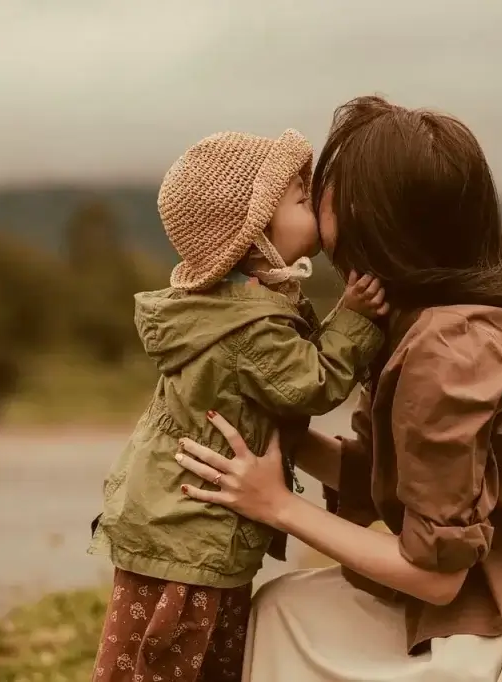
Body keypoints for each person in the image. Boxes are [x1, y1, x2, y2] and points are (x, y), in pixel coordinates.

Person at [174, 96, 502, 682]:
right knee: (285, 613)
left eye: (320, 192)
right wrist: (282, 435)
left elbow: (433, 570)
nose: (311, 206)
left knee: (291, 621)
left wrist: (276, 504)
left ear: (368, 214)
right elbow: (396, 481)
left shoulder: (447, 346)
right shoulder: (427, 323)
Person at [86, 128, 389, 682]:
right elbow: (309, 382)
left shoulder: (242, 303)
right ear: (254, 237)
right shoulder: (245, 324)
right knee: (174, 660)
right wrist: (355, 320)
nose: (312, 200)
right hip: (188, 534)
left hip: (187, 525)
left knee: (199, 658)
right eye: (300, 199)